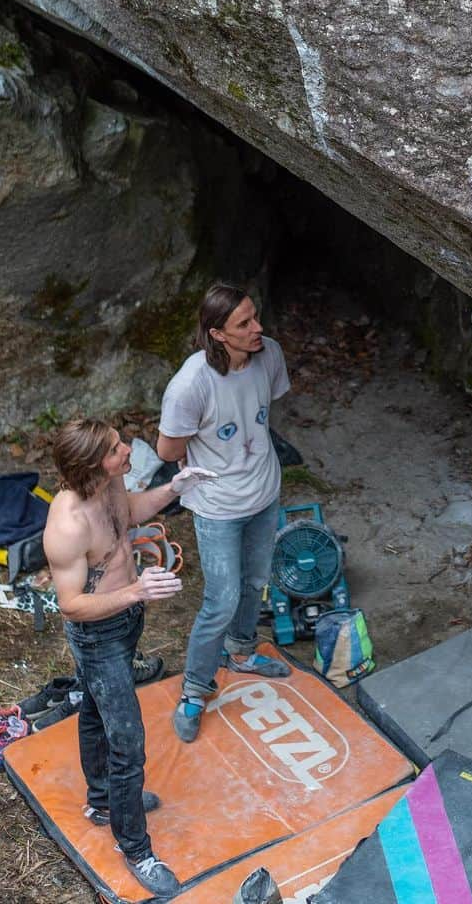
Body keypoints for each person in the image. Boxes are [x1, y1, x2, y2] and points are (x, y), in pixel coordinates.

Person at [45, 420, 214, 900]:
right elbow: (71, 604)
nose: (129, 451)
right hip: (97, 635)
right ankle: (135, 846)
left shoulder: (111, 481)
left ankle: (102, 801)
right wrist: (138, 589)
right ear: (95, 464)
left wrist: (174, 488)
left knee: (96, 713)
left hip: (127, 617)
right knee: (129, 743)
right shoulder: (68, 525)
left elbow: (129, 514)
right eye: (119, 449)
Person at [158, 284, 292, 743]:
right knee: (221, 598)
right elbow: (168, 448)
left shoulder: (268, 353)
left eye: (256, 316)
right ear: (217, 334)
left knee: (256, 582)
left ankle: (241, 652)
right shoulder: (190, 385)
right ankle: (195, 690)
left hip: (264, 493)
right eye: (244, 324)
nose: (258, 328)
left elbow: (263, 407)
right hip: (217, 507)